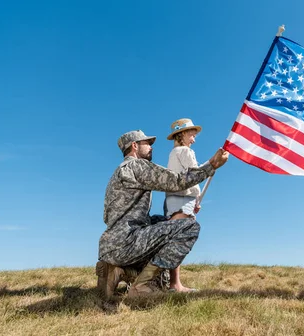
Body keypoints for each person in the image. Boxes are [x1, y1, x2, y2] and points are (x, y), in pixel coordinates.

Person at [96, 129, 228, 300]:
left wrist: (170, 219)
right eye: (147, 144)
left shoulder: (117, 173)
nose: (151, 147)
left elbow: (114, 217)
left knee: (169, 221)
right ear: (135, 146)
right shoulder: (137, 166)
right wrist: (212, 165)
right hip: (127, 244)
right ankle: (141, 287)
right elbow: (177, 181)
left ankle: (115, 270)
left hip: (111, 246)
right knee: (189, 227)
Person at [164, 118, 203, 292]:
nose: (194, 137)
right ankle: (175, 284)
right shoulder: (186, 152)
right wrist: (213, 164)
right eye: (191, 134)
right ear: (182, 134)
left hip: (173, 200)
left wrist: (196, 200)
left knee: (174, 239)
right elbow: (195, 174)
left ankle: (174, 283)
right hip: (182, 199)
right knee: (179, 240)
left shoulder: (173, 153)